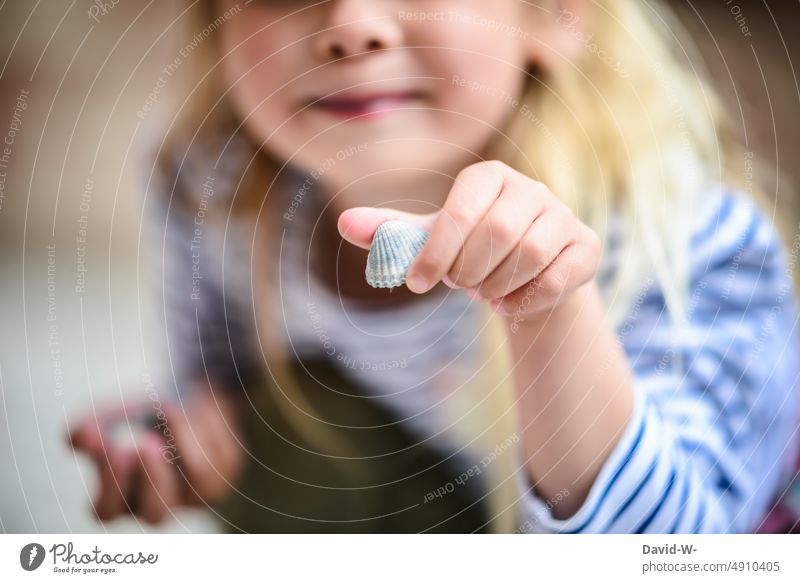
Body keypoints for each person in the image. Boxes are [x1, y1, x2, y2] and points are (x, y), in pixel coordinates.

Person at [68, 0, 800, 533]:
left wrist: (548, 312)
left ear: (557, 13)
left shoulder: (686, 240)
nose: (352, 23)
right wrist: (190, 443)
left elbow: (674, 555)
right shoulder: (210, 185)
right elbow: (216, 396)